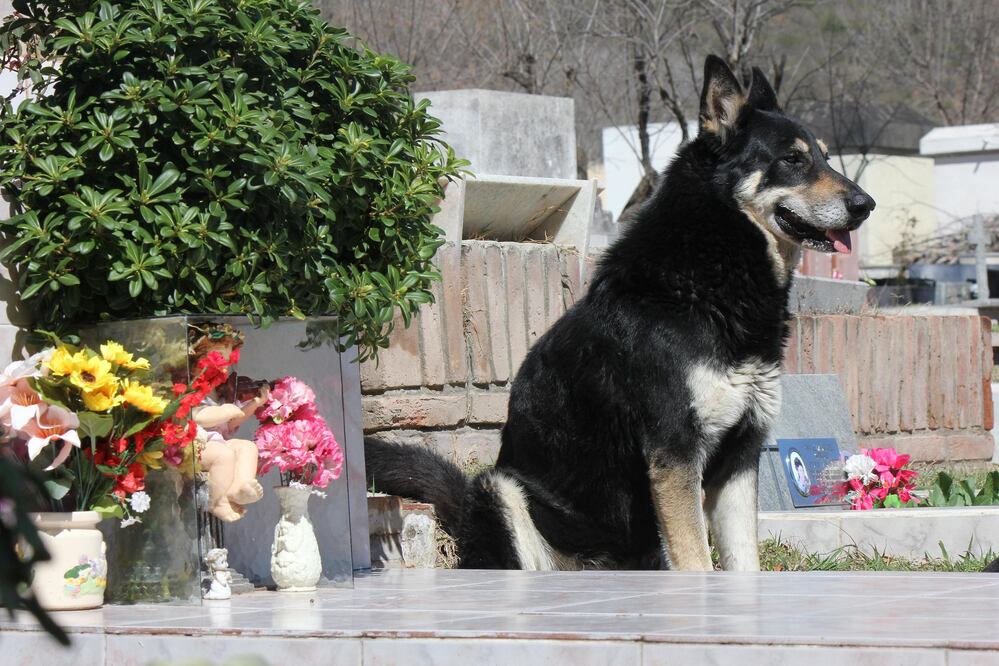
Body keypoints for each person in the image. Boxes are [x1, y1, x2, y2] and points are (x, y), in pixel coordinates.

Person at [188, 323, 267, 522]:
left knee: (246, 447)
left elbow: (230, 424)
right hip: (197, 445)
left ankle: (238, 488)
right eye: (219, 357)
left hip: (216, 441)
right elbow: (196, 416)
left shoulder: (216, 389)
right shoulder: (192, 386)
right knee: (223, 455)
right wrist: (222, 411)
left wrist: (255, 404)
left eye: (227, 358)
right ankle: (217, 501)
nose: (224, 364)